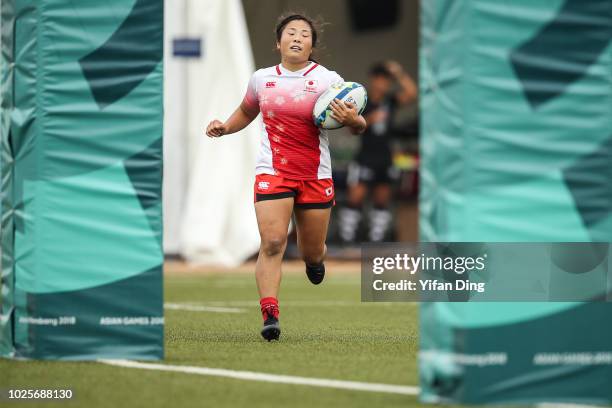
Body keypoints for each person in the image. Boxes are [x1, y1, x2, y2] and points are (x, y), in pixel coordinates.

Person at [205, 13, 366, 341]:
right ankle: (270, 314)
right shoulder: (262, 79)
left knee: (311, 250)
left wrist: (355, 120)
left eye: (304, 34)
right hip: (273, 172)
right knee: (274, 241)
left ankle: (314, 260)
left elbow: (358, 123)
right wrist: (225, 127)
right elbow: (247, 112)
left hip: (314, 174)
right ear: (278, 43)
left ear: (311, 45)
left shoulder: (327, 80)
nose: (297, 38)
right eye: (290, 33)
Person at [339, 61, 417, 243]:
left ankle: (377, 242)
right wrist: (370, 119)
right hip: (365, 156)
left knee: (382, 200)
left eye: (387, 80)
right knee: (355, 198)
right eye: (381, 79)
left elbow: (412, 94)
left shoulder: (390, 101)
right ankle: (346, 241)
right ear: (373, 80)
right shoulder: (362, 101)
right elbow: (348, 127)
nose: (384, 84)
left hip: (385, 157)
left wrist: (399, 73)